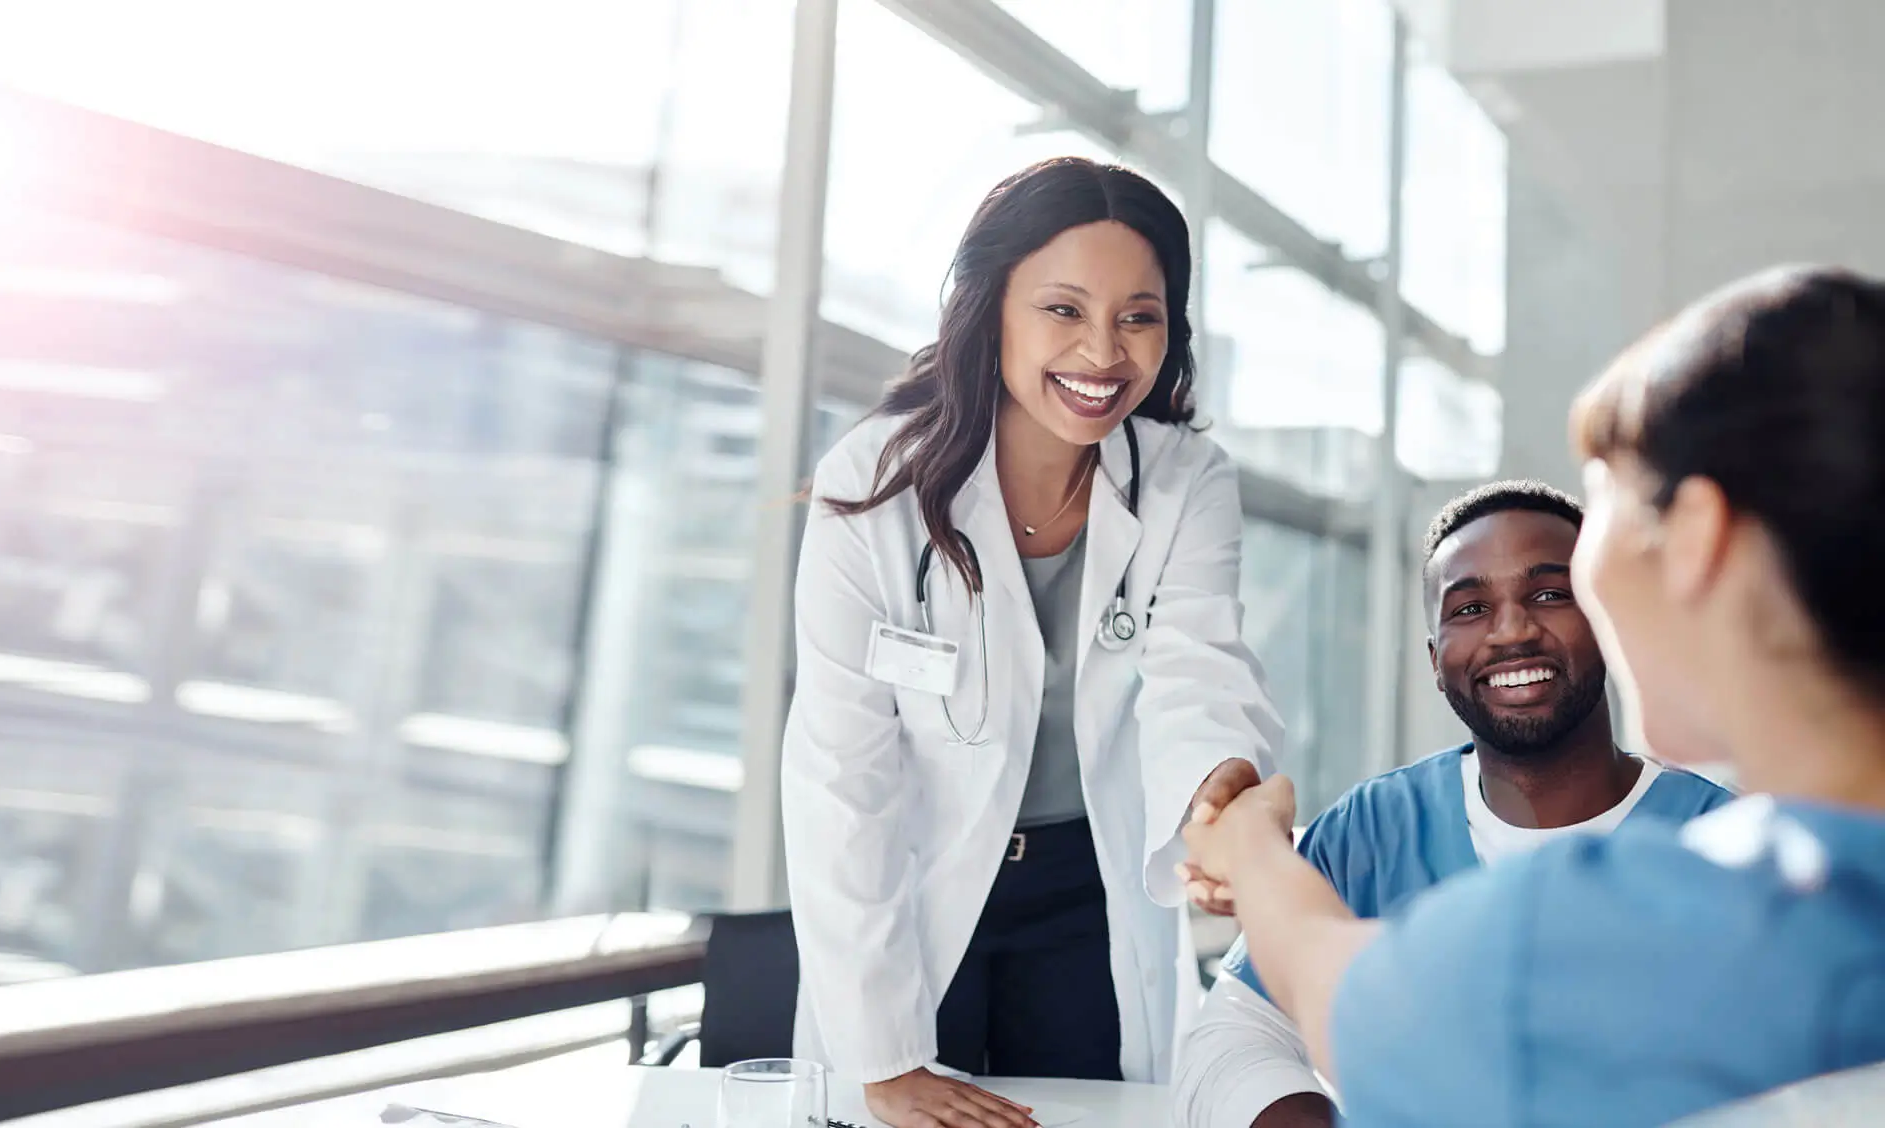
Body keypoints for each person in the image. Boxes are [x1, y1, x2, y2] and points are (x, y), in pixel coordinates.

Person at [1183, 264, 1885, 1126]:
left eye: (1605, 501)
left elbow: (1350, 1000)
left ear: (1698, 538)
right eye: (1470, 606)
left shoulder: (1624, 925)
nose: (1516, 627)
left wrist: (1252, 850)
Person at [782, 157, 1283, 1128]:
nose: (1102, 352)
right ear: (990, 309)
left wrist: (1217, 797)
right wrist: (882, 1062)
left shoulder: (1183, 481)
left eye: (1138, 316)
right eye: (1062, 309)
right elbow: (840, 771)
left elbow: (1199, 672)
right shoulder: (875, 484)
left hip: (1084, 892)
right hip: (913, 883)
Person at [1171, 481, 1733, 1128]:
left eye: (1551, 595)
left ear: (1608, 623)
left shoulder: (1722, 844)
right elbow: (1232, 1037)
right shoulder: (1370, 830)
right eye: (1470, 608)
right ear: (1437, 660)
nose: (1511, 632)